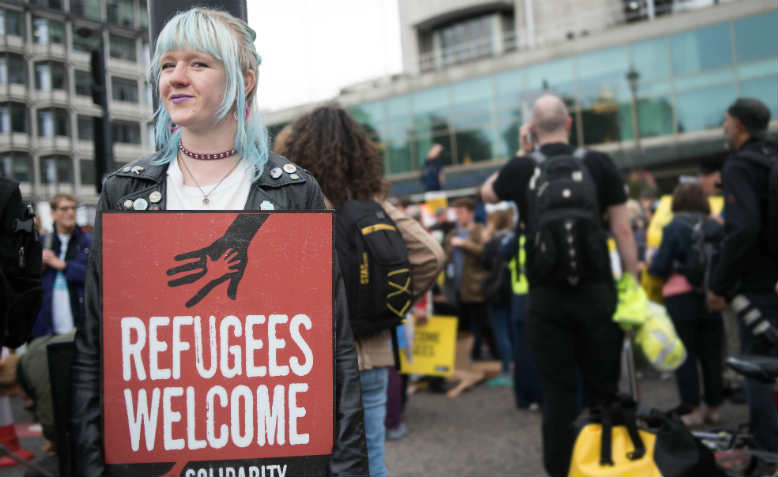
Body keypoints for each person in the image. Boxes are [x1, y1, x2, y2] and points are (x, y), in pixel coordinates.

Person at [70, 9, 367, 476]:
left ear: (244, 80)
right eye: (167, 65)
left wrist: (349, 470)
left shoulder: (293, 191)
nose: (176, 78)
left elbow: (334, 349)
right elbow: (94, 349)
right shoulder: (125, 194)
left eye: (198, 64)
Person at [276, 106, 445, 477]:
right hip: (371, 351)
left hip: (310, 358)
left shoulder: (295, 206)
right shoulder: (374, 207)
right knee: (371, 464)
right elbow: (430, 255)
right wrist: (387, 306)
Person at [480, 94, 639, 476]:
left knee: (558, 397)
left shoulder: (522, 167)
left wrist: (522, 152)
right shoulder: (598, 163)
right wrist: (631, 284)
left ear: (533, 130)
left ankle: (563, 469)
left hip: (546, 300)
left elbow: (487, 193)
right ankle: (608, 465)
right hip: (597, 294)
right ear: (569, 124)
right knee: (603, 391)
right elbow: (622, 229)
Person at [708, 97, 777, 453]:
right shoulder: (772, 159)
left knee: (758, 369)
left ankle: (769, 452)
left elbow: (744, 229)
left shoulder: (739, 167)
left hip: (757, 287)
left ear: (737, 125)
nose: (724, 127)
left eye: (726, 121)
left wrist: (718, 282)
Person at [648, 182, 723, 426]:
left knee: (686, 355)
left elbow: (659, 268)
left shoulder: (673, 227)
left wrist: (651, 261)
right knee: (712, 354)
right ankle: (714, 408)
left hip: (679, 297)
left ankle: (692, 410)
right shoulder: (714, 226)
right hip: (712, 296)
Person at [32, 194, 90, 338]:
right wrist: (38, 265)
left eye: (73, 208)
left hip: (80, 323)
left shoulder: (88, 242)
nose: (70, 212)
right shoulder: (41, 242)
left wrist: (63, 266)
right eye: (64, 209)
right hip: (46, 328)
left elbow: (95, 275)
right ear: (53, 213)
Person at [446, 197, 494, 361]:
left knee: (480, 325)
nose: (458, 216)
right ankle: (466, 359)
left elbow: (484, 253)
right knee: (463, 327)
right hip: (458, 289)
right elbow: (445, 257)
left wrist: (463, 244)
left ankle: (480, 357)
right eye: (456, 213)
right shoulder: (453, 233)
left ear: (471, 213)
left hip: (476, 289)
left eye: (461, 212)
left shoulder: (480, 231)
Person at [480, 207, 514, 387]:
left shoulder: (494, 241)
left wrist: (486, 240)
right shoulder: (513, 237)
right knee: (512, 332)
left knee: (501, 333)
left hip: (497, 292)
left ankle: (507, 372)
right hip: (513, 290)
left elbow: (484, 263)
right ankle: (517, 370)